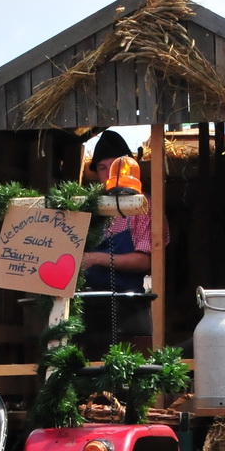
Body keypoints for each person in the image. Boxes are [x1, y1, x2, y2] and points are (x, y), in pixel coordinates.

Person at [79, 130, 152, 341]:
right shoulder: (86, 207)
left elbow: (145, 261)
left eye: (114, 167)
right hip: (86, 305)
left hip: (128, 308)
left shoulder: (143, 206)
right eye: (102, 168)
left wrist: (95, 259)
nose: (108, 174)